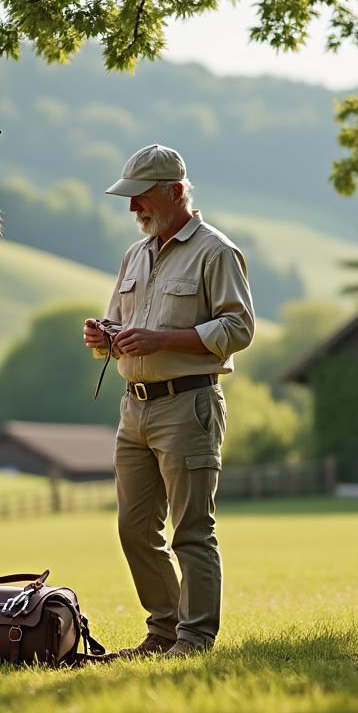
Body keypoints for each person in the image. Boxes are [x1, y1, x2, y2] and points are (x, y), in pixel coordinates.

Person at [83, 144, 254, 658]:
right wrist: (104, 337)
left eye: (141, 197)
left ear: (175, 192)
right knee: (134, 529)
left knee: (192, 532)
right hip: (132, 409)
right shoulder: (134, 254)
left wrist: (163, 340)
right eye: (129, 199)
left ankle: (195, 639)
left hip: (189, 407)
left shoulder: (216, 251)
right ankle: (162, 632)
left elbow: (239, 327)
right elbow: (121, 322)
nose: (133, 208)